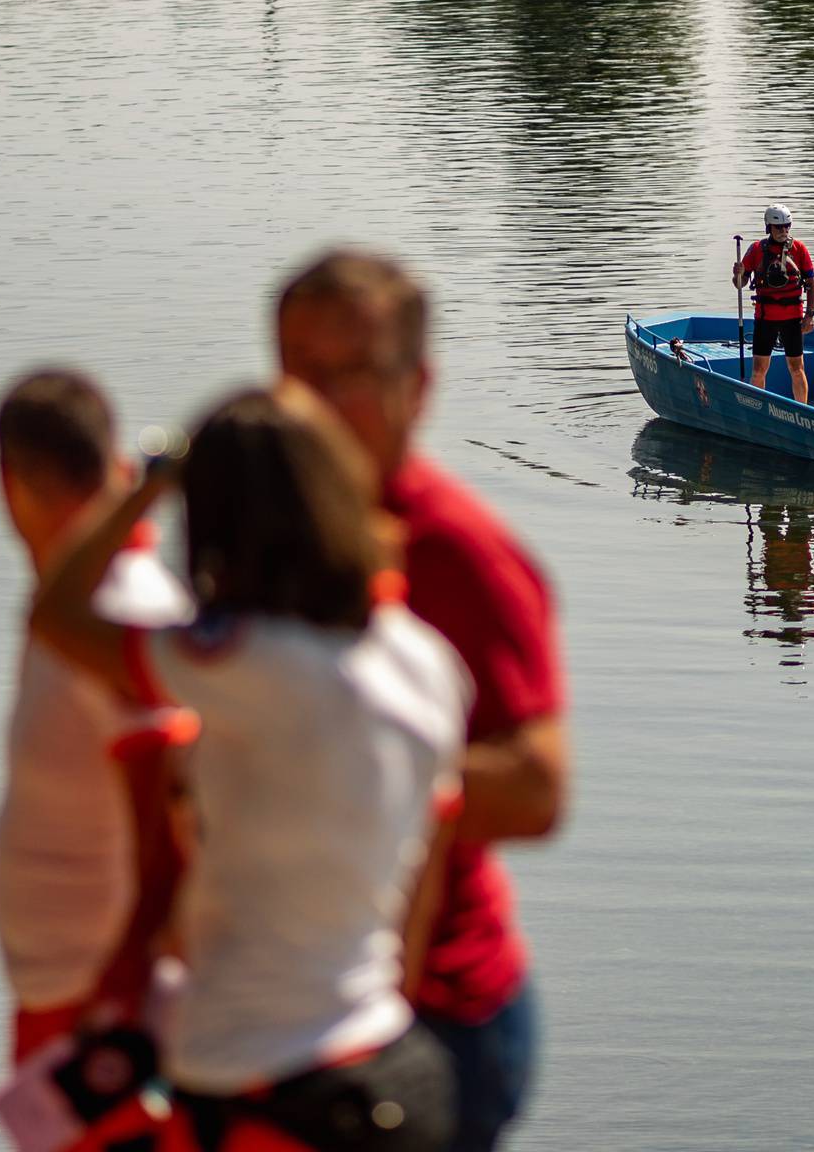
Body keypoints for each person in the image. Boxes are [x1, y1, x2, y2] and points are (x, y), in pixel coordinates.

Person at [30, 383, 468, 1152]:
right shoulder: (426, 661)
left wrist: (150, 483)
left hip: (258, 1082)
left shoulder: (240, 659)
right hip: (393, 1069)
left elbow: (57, 613)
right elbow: (423, 893)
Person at [276, 251, 568, 1152]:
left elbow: (535, 787)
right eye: (298, 374)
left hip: (438, 1015)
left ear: (420, 387)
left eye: (354, 374)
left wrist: (350, 771)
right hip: (296, 997)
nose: (319, 403)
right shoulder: (268, 530)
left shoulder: (460, 553)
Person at [0, 368, 193, 1065]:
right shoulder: (75, 607)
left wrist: (121, 997)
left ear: (7, 484)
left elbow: (170, 834)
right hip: (67, 994)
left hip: (102, 1007)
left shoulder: (115, 616)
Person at [731, 204, 814, 403]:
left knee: (797, 368)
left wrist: (810, 316)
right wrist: (738, 273)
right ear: (768, 227)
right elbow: (739, 285)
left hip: (793, 318)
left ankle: (802, 409)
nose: (784, 231)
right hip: (765, 318)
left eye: (787, 226)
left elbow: (812, 285)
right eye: (779, 227)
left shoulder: (799, 249)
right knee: (759, 369)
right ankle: (758, 406)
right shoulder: (756, 250)